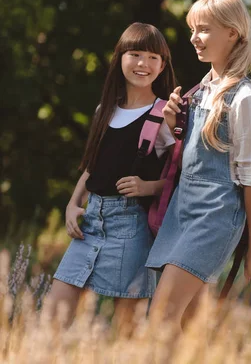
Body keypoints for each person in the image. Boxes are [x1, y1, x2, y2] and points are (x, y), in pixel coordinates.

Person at [145, 0, 251, 330]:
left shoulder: (246, 99)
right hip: (181, 211)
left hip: (215, 217)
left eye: (203, 30)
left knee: (161, 316)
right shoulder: (199, 92)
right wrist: (174, 128)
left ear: (232, 33)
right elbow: (188, 158)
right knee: (186, 326)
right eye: (192, 30)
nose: (194, 39)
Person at [44, 22, 177, 327]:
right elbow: (92, 165)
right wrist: (73, 204)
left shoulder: (164, 115)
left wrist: (148, 187)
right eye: (135, 54)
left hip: (132, 227)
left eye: (153, 57)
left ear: (162, 66)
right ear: (120, 58)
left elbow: (181, 177)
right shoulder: (105, 109)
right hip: (91, 223)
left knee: (125, 330)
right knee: (52, 318)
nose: (143, 63)